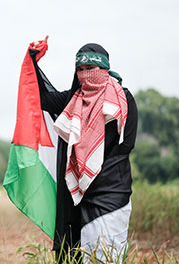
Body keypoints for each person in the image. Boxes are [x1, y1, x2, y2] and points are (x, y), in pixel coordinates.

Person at [28, 37, 138, 262]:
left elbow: (125, 146)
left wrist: (95, 175)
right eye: (81, 69)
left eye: (91, 68)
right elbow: (42, 98)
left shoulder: (123, 98)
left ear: (105, 68)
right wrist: (32, 64)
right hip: (77, 192)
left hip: (112, 190)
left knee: (108, 253)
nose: (86, 73)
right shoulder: (72, 100)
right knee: (80, 251)